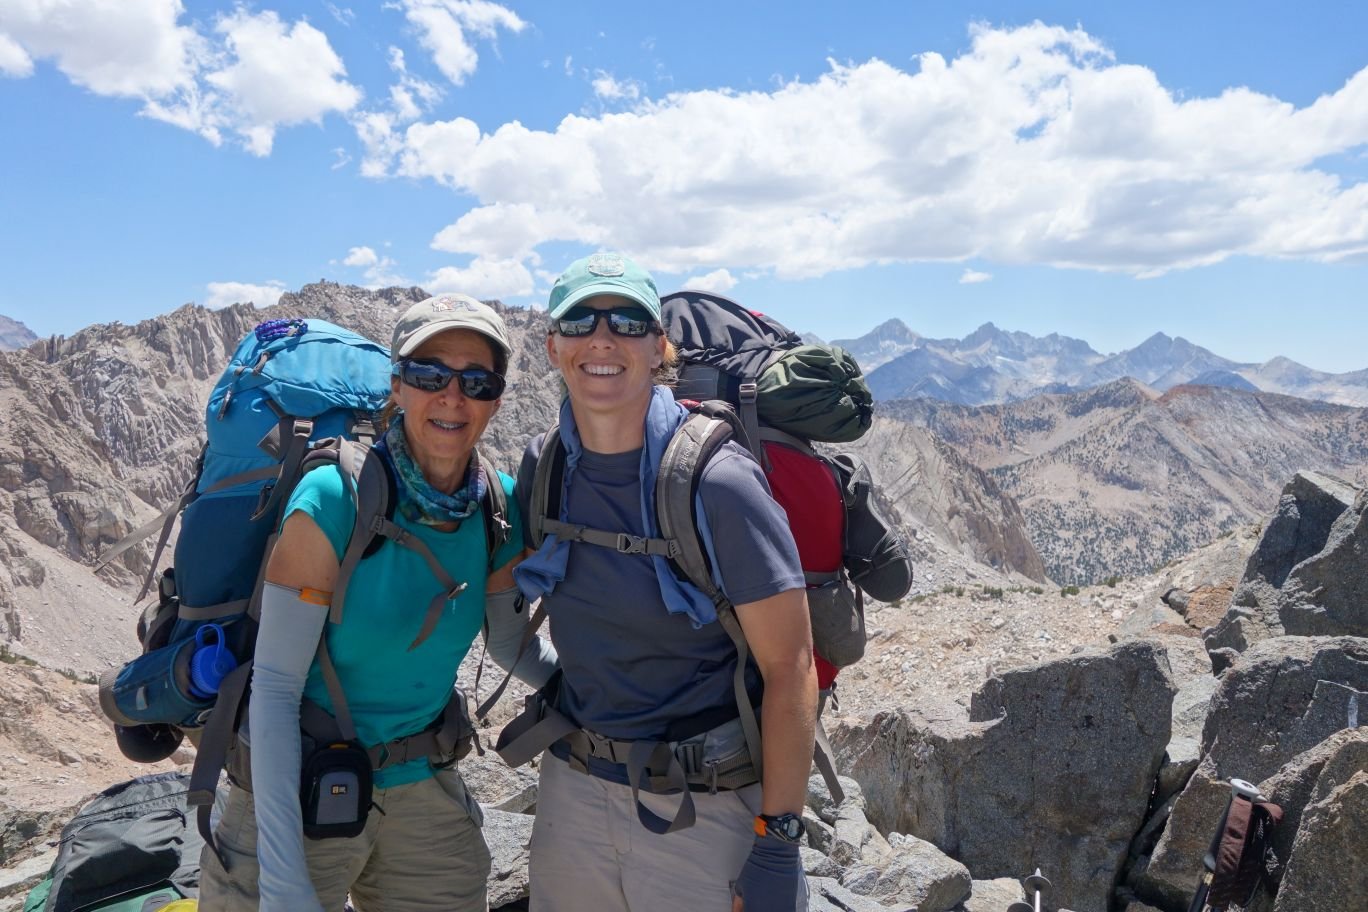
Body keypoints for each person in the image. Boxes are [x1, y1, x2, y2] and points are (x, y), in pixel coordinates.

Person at [199, 294, 557, 912]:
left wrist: (608, 696)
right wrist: (284, 879)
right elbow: (277, 686)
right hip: (295, 787)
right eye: (428, 375)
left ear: (497, 397)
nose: (452, 396)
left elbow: (507, 644)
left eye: (477, 380)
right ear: (396, 386)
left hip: (421, 782)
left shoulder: (497, 506)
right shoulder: (335, 495)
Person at [510, 254, 817, 911]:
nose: (602, 338)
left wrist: (778, 844)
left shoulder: (718, 480)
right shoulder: (545, 466)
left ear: (659, 348)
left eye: (626, 321)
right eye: (580, 320)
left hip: (703, 805)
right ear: (553, 347)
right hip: (575, 788)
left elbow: (791, 666)